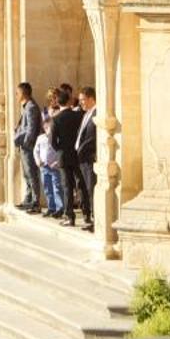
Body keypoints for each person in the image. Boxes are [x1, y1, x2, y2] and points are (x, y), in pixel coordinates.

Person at [49, 84, 85, 226]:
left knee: (67, 186)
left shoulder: (56, 119)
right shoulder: (78, 116)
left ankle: (69, 215)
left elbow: (52, 141)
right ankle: (87, 213)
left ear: (58, 102)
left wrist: (60, 149)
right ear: (70, 102)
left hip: (63, 156)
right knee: (81, 184)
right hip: (77, 154)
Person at [12, 82, 41, 211]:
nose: (16, 96)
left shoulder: (31, 107)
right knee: (26, 174)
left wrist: (26, 143)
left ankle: (35, 201)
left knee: (31, 173)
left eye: (17, 93)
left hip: (28, 146)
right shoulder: (26, 107)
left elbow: (31, 128)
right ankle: (28, 198)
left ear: (23, 93)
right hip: (24, 145)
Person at [75, 86, 98, 234]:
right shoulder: (86, 113)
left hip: (89, 158)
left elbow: (93, 137)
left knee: (92, 190)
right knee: (86, 190)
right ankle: (91, 218)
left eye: (83, 100)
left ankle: (97, 221)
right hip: (82, 159)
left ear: (91, 99)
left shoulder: (97, 112)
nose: (81, 103)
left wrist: (81, 149)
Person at [34, 113, 65, 216]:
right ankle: (51, 207)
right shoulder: (40, 138)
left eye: (50, 127)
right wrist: (38, 160)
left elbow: (60, 150)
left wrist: (57, 161)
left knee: (57, 187)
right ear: (43, 127)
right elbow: (36, 150)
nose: (48, 129)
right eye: (46, 127)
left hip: (54, 166)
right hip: (44, 166)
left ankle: (59, 207)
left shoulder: (57, 138)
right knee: (47, 187)